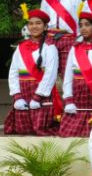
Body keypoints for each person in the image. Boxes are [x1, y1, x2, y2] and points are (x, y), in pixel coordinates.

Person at [4, 8, 59, 136]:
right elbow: (13, 72)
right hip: (23, 94)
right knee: (23, 131)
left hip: (41, 95)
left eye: (38, 23)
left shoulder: (50, 47)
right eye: (31, 23)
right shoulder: (21, 47)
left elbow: (50, 74)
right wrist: (17, 96)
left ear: (45, 27)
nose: (34, 26)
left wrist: (38, 96)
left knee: (40, 129)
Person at [59, 11, 92, 137]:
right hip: (77, 97)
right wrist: (68, 99)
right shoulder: (74, 48)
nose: (83, 28)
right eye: (81, 25)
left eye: (87, 25)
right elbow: (68, 76)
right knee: (68, 134)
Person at [39, 0, 82, 75]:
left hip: (68, 38)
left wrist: (79, 40)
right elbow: (42, 22)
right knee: (49, 73)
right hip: (50, 38)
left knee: (67, 73)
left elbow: (80, 21)